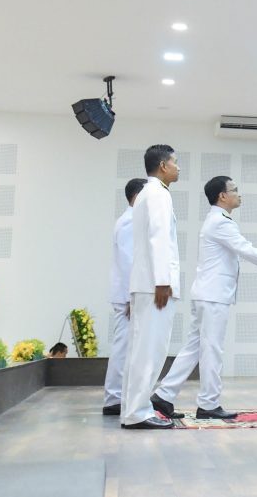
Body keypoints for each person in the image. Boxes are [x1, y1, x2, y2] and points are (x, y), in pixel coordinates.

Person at [151, 176, 257, 419]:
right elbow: (246, 249)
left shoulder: (217, 220)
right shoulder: (221, 223)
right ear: (222, 196)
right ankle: (208, 404)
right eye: (234, 190)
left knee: (194, 348)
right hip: (213, 296)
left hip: (207, 294)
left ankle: (163, 396)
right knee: (211, 350)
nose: (238, 194)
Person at [120, 144, 181, 430]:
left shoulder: (148, 192)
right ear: (163, 166)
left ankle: (132, 410)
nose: (178, 168)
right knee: (150, 353)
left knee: (140, 353)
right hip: (154, 285)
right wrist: (163, 282)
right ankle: (138, 413)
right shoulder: (158, 193)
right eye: (175, 162)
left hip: (145, 284)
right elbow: (159, 238)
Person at [102, 177, 147, 416]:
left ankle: (118, 396)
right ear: (137, 197)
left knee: (128, 347)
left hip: (130, 294)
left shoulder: (131, 220)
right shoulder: (130, 221)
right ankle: (114, 398)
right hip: (128, 296)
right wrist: (132, 296)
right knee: (124, 346)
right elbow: (130, 261)